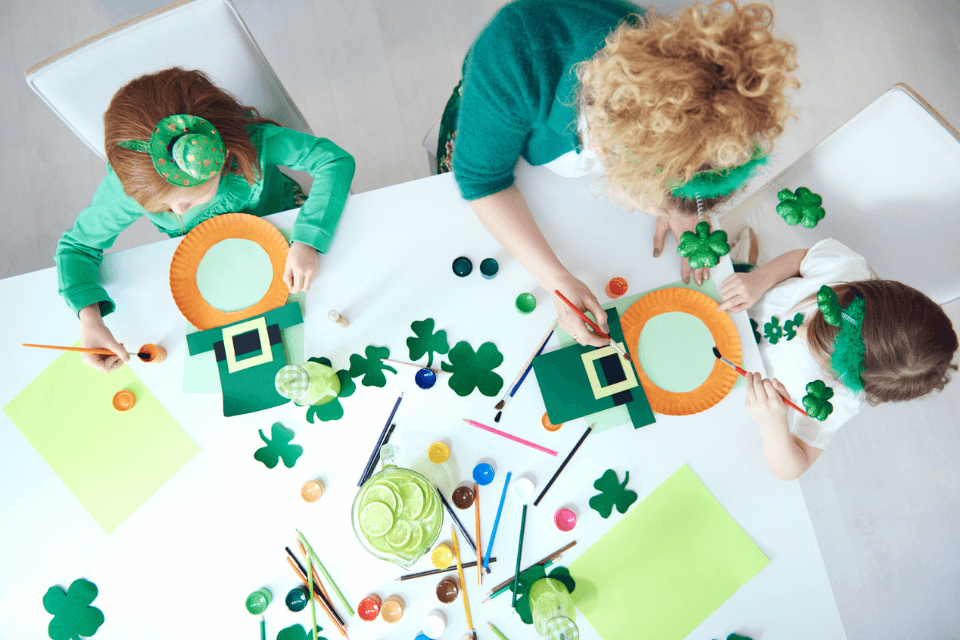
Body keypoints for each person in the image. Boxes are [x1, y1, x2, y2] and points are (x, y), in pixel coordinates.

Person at [441, 0, 798, 345]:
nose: (662, 212)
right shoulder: (516, 54)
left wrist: (687, 208)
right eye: (655, 203)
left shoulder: (677, 80)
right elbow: (483, 181)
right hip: (489, 133)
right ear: (607, 151)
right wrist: (555, 279)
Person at [55, 68, 356, 373]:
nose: (178, 209)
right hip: (218, 270)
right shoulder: (129, 186)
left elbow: (334, 160)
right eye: (162, 206)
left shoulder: (254, 144)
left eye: (191, 198)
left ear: (225, 156)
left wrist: (307, 238)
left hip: (290, 237)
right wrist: (89, 317)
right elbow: (76, 248)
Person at [717, 239, 959, 480]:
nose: (800, 331)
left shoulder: (840, 398)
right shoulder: (844, 269)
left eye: (816, 345)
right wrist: (762, 277)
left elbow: (793, 468)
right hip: (734, 300)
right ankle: (747, 258)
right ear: (865, 290)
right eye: (817, 319)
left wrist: (772, 424)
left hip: (724, 380)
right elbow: (803, 258)